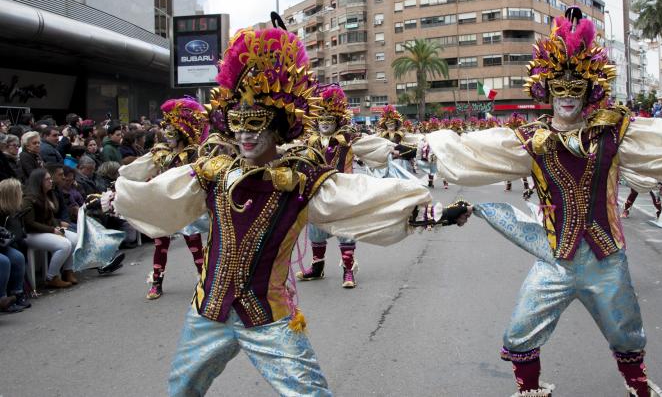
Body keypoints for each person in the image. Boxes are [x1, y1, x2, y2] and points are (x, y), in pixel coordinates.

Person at [114, 25, 467, 396]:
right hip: (207, 313)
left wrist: (426, 213)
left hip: (268, 318)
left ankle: (344, 268)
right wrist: (113, 199)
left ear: (279, 126)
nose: (245, 136)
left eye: (256, 125)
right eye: (238, 125)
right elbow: (159, 195)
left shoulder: (300, 180)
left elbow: (358, 197)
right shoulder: (211, 174)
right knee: (180, 391)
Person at [426, 9, 662, 397]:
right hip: (555, 258)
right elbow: (478, 150)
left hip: (606, 258)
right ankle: (530, 390)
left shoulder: (614, 132)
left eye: (577, 89)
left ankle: (638, 384)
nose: (568, 96)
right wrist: (435, 144)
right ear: (547, 90)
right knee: (520, 330)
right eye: (560, 88)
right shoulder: (530, 139)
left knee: (626, 331)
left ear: (591, 90)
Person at [296, 84, 396, 288]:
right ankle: (317, 268)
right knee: (315, 230)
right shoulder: (309, 141)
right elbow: (289, 151)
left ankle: (348, 271)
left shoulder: (348, 140)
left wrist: (400, 149)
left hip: (343, 191)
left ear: (337, 122)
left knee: (346, 230)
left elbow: (373, 146)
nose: (324, 124)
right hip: (317, 191)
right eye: (321, 120)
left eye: (329, 120)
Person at [120, 98, 209, 300]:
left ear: (182, 134)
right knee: (161, 244)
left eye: (171, 133)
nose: (167, 137)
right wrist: (122, 179)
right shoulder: (160, 153)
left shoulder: (194, 155)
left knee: (194, 243)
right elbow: (138, 169)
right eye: (166, 132)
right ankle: (157, 283)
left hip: (184, 204)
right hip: (163, 203)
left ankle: (205, 281)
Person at [20, 168, 79, 288]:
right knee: (64, 244)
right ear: (39, 181)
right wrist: (52, 230)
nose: (50, 181)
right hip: (31, 234)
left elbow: (49, 217)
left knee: (75, 239)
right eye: (47, 179)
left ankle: (68, 271)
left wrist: (57, 225)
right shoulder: (29, 199)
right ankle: (52, 277)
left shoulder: (46, 195)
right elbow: (29, 223)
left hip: (46, 230)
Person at [0, 178, 30, 312]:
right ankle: (2, 298)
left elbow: (18, 236)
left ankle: (17, 293)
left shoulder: (10, 211)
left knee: (17, 257)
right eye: (19, 192)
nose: (22, 195)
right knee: (4, 261)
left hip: (2, 245)